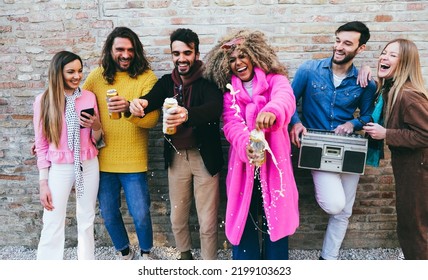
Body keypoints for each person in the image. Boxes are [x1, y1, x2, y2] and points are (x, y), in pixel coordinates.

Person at [203, 30, 299, 260]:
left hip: (275, 166)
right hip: (244, 168)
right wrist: (245, 144)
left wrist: (272, 111)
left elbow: (285, 99)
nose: (238, 63)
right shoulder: (230, 93)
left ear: (255, 56)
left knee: (274, 216)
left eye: (242, 56)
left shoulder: (276, 80)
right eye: (232, 59)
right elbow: (231, 124)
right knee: (244, 218)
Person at [129, 28, 223, 260]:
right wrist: (138, 104)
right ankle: (185, 255)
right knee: (178, 215)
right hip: (177, 157)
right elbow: (150, 100)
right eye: (176, 53)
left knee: (207, 218)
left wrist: (186, 114)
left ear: (196, 54)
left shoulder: (209, 80)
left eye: (187, 53)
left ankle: (210, 263)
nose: (181, 58)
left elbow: (214, 108)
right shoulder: (166, 82)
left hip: (205, 157)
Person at [289, 21, 377, 260]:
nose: (339, 47)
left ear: (360, 48)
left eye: (347, 43)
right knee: (334, 205)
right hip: (316, 146)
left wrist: (354, 123)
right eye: (338, 40)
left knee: (345, 211)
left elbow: (368, 114)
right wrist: (296, 122)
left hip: (349, 147)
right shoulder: (309, 70)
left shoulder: (365, 82)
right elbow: (287, 101)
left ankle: (328, 259)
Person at [82, 27, 160, 260]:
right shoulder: (96, 76)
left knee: (141, 214)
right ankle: (124, 251)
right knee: (108, 212)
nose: (125, 54)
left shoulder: (147, 77)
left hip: (134, 161)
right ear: (110, 50)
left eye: (130, 50)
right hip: (103, 159)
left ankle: (146, 252)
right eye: (120, 49)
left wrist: (129, 108)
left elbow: (152, 120)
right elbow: (79, 108)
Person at [33, 51, 102, 259]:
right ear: (58, 73)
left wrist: (96, 125)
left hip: (88, 162)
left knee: (87, 218)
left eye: (80, 71)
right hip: (60, 166)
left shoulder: (88, 97)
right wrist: (43, 182)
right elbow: (41, 144)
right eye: (70, 71)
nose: (77, 76)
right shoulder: (44, 101)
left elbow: (97, 137)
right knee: (53, 218)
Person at [363, 38, 428, 260]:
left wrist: (386, 134)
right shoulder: (392, 90)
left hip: (419, 174)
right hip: (412, 170)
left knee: (413, 229)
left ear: (405, 63)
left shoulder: (408, 95)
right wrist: (364, 70)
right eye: (384, 52)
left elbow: (426, 134)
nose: (384, 57)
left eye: (392, 55)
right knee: (413, 226)